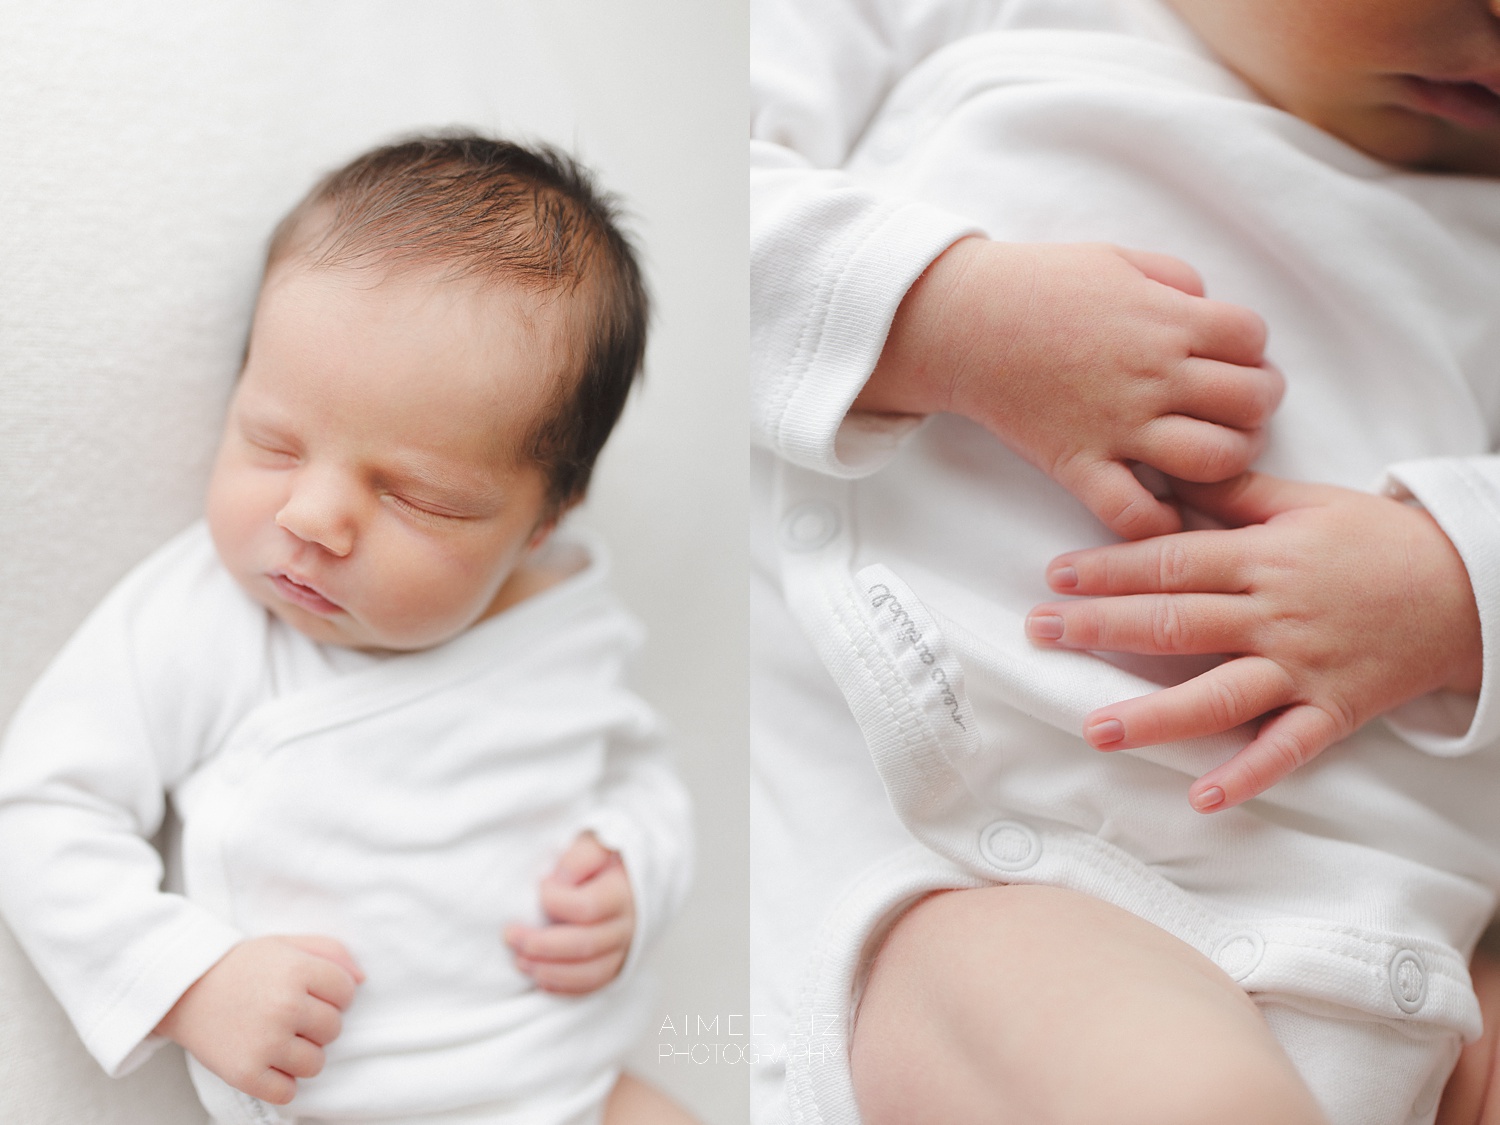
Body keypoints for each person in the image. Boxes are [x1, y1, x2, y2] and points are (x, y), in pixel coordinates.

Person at [751, 1, 1500, 1123]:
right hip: (1009, 881)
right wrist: (942, 316)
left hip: (1410, 940)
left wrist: (1452, 581)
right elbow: (656, 224)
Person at [0, 135, 696, 1125]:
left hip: (572, 1085)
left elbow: (643, 773)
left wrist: (633, 867)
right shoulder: (212, 617)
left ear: (544, 520)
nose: (312, 517)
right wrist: (189, 983)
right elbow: (40, 808)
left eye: (417, 497)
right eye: (272, 442)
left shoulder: (570, 618)